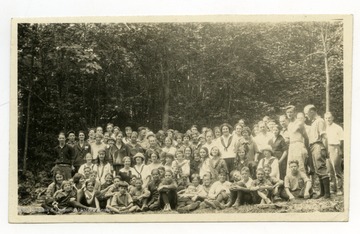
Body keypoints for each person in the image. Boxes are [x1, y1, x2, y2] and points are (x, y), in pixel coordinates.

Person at [304, 104, 330, 199]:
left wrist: (326, 149)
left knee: (321, 168)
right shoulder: (314, 122)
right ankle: (322, 193)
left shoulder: (320, 121)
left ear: (312, 111)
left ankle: (327, 194)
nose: (306, 116)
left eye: (306, 113)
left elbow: (324, 137)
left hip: (318, 145)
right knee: (318, 169)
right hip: (313, 146)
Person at [324, 112, 344, 195]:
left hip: (335, 147)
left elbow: (342, 140)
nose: (328, 119)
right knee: (329, 169)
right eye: (326, 118)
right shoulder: (325, 128)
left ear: (333, 118)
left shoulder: (338, 127)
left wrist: (339, 150)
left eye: (329, 118)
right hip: (327, 148)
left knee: (337, 168)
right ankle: (333, 188)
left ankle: (340, 189)